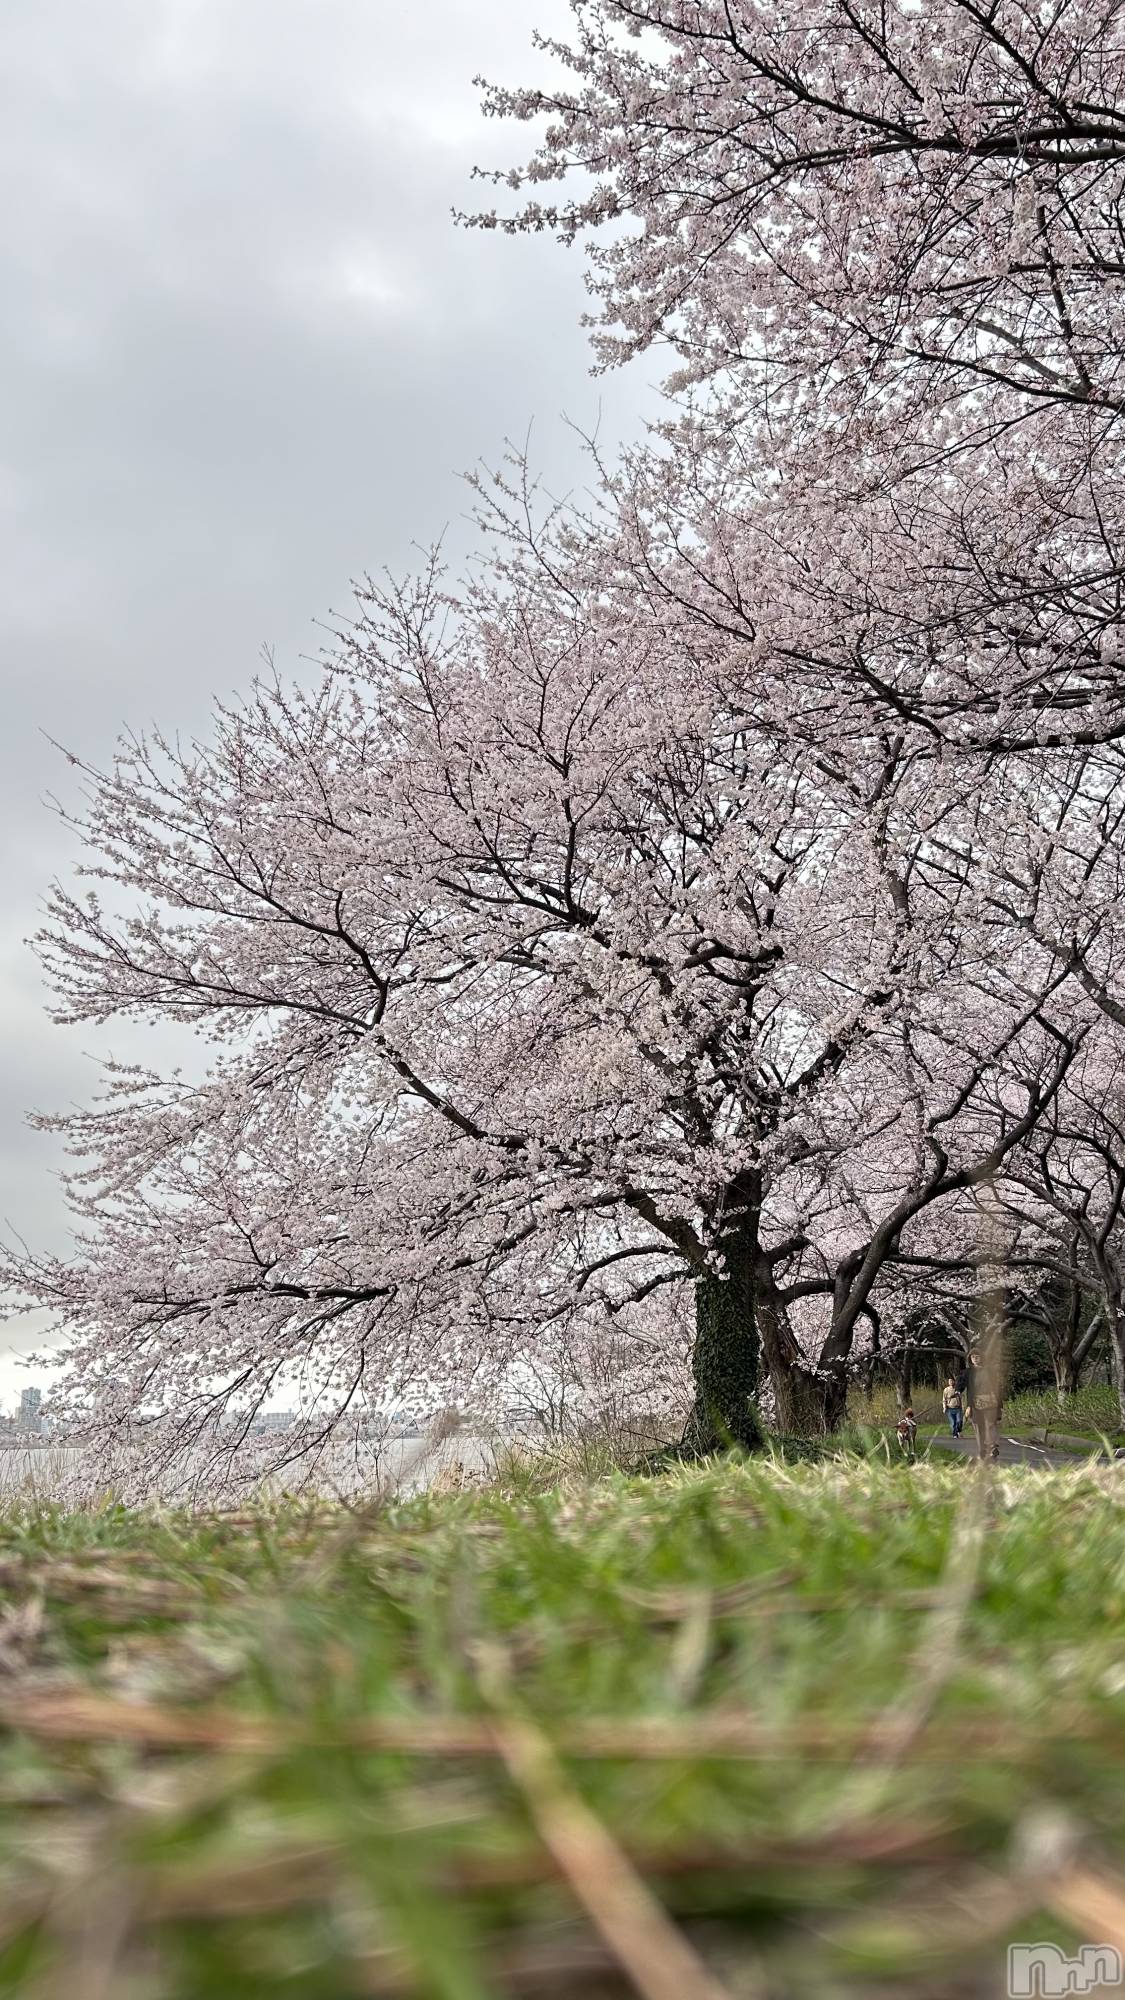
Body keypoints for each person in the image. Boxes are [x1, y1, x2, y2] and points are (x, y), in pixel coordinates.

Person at [966, 1345, 1002, 1461]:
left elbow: (997, 1387)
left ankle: (993, 1447)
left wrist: (999, 1404)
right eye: (973, 1357)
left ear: (982, 1358)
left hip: (990, 1401)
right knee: (978, 1426)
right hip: (975, 1403)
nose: (975, 1359)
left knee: (990, 1424)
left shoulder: (990, 1371)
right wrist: (968, 1405)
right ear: (970, 1359)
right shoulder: (968, 1373)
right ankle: (982, 1449)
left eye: (977, 1356)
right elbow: (962, 1385)